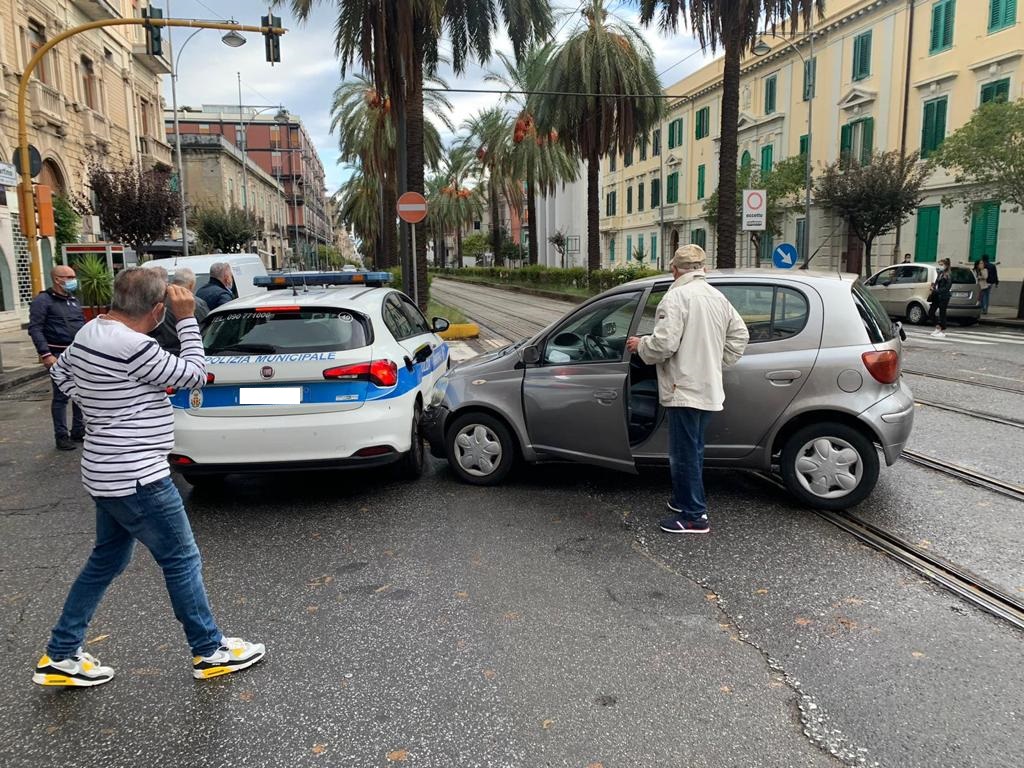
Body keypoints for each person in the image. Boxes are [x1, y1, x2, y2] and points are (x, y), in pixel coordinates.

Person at [33, 268, 264, 687]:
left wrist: (110, 404)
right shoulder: (135, 346)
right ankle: (209, 650)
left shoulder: (90, 332)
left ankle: (61, 653)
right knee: (181, 559)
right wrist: (189, 318)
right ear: (158, 310)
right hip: (139, 474)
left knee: (106, 560)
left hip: (104, 471)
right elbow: (195, 374)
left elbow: (61, 376)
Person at [625, 245, 749, 535]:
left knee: (683, 453)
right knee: (694, 449)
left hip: (684, 388)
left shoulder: (676, 297)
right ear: (703, 269)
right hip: (707, 387)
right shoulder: (717, 297)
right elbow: (740, 335)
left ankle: (694, 515)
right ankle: (684, 500)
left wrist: (639, 345)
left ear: (674, 270)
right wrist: (715, 361)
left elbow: (664, 345)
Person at [28, 265, 86, 451]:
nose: (72, 280)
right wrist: (45, 354)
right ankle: (61, 436)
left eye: (73, 276)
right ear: (57, 279)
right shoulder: (43, 301)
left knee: (79, 394)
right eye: (68, 276)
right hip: (57, 355)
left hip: (77, 354)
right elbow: (35, 328)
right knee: (61, 397)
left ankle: (78, 430)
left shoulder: (73, 300)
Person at [150, 267, 210, 354]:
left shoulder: (155, 301)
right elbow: (207, 331)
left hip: (158, 353)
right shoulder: (196, 303)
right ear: (191, 285)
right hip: (185, 352)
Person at [928, 258, 952, 338]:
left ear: (946, 265)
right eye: (939, 264)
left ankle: (941, 329)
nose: (940, 266)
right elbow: (936, 283)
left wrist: (936, 291)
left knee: (942, 313)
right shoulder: (940, 273)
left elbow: (947, 288)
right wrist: (933, 288)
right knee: (931, 312)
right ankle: (938, 327)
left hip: (943, 297)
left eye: (942, 265)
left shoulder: (948, 275)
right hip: (936, 296)